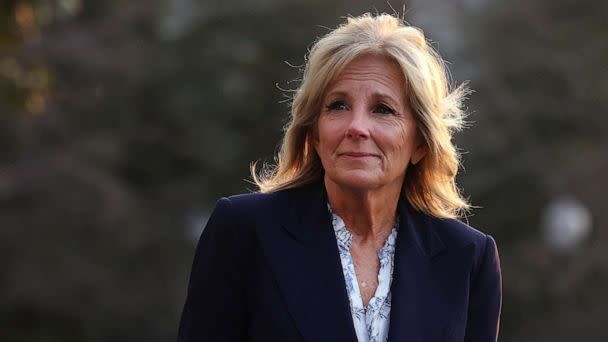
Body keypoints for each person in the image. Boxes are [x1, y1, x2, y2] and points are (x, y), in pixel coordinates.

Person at [177, 13, 502, 342]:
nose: (357, 127)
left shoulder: (467, 257)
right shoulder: (244, 231)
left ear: (420, 142)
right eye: (337, 106)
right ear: (315, 133)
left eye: (383, 109)